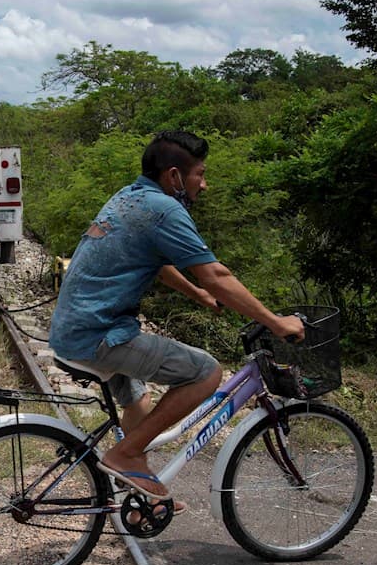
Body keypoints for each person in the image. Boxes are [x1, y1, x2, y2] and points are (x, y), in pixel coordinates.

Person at [48, 131, 304, 514]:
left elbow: (162, 263)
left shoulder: (130, 197)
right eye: (199, 174)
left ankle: (141, 498)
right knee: (205, 373)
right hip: (101, 334)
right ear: (174, 176)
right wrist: (275, 322)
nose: (204, 183)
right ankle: (126, 455)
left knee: (138, 401)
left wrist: (197, 294)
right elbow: (216, 274)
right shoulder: (166, 210)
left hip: (74, 327)